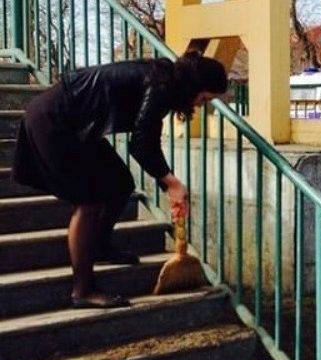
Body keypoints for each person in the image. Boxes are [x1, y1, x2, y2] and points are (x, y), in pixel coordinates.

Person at [12, 51, 227, 309]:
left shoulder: (162, 81)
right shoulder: (160, 85)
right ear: (194, 85)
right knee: (89, 201)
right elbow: (142, 144)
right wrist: (172, 183)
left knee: (120, 183)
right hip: (53, 121)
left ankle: (100, 246)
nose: (199, 105)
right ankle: (83, 290)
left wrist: (168, 182)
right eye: (203, 98)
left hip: (78, 127)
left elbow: (147, 138)